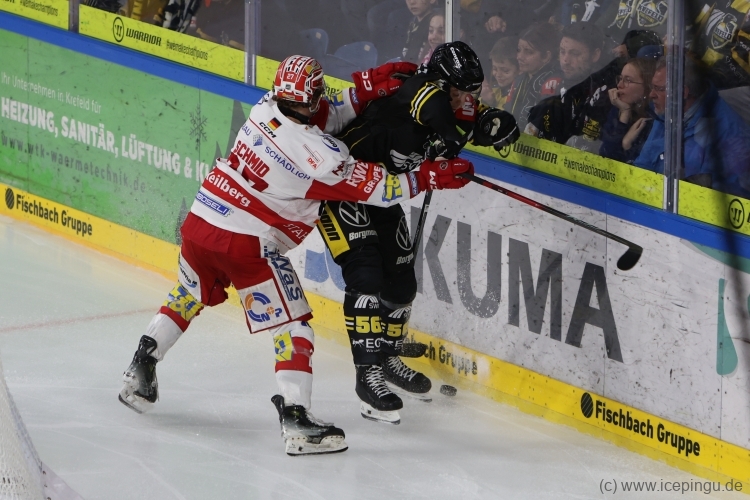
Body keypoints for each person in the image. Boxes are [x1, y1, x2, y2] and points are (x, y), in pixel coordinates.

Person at [117, 55, 475, 456]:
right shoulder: (320, 157)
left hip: (202, 221)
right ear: (312, 96)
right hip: (247, 241)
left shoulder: (265, 105)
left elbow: (323, 116)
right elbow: (380, 188)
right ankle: (296, 418)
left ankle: (141, 364)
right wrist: (429, 176)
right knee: (294, 327)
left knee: (189, 294)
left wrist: (362, 93)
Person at [319, 41, 519, 425]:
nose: (463, 98)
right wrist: (450, 142)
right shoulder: (415, 87)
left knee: (401, 285)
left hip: (383, 193)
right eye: (457, 90)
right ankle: (368, 377)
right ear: (440, 81)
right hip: (343, 188)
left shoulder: (454, 100)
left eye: (470, 91)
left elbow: (468, 117)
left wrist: (494, 122)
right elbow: (435, 111)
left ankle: (387, 357)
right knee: (366, 277)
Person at [635, 56, 750, 198]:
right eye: (652, 87)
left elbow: (718, 199)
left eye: (659, 89)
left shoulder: (726, 132)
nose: (651, 94)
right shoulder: (666, 112)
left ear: (682, 93)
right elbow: (643, 164)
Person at [504, 22, 563, 132]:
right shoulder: (520, 79)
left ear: (546, 56)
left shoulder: (553, 82)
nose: (519, 57)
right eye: (519, 50)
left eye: (528, 52)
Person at [598, 57, 656, 163]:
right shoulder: (619, 108)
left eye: (628, 80)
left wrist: (627, 145)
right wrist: (624, 113)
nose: (619, 85)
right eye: (620, 79)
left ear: (647, 87)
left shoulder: (652, 120)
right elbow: (605, 156)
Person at [480, 37, 519, 108]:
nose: (498, 75)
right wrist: (487, 102)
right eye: (495, 68)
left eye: (505, 70)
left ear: (519, 70)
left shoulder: (520, 96)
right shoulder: (491, 91)